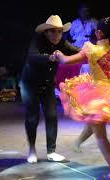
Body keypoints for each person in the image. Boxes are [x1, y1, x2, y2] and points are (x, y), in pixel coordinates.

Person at [54, 16, 110, 179]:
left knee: (100, 135)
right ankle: (78, 142)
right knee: (95, 120)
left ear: (98, 33)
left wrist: (58, 54)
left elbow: (67, 61)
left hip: (96, 94)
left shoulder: (92, 49)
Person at [19, 15, 80, 164]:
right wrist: (50, 58)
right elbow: (32, 57)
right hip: (30, 84)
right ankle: (32, 150)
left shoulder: (62, 43)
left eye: (59, 32)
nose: (56, 35)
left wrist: (92, 51)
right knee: (32, 117)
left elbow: (77, 51)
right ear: (46, 32)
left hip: (47, 84)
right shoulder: (37, 41)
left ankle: (51, 152)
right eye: (53, 32)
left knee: (52, 116)